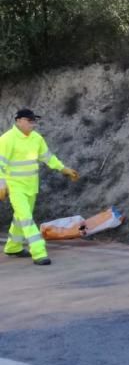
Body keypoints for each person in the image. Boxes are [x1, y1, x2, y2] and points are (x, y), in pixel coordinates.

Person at [0, 109, 79, 265]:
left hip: (31, 186)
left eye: (34, 121)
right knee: (27, 219)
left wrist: (64, 169)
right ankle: (39, 252)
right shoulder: (6, 139)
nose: (33, 124)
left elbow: (47, 157)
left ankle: (13, 247)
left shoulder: (36, 138)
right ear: (18, 121)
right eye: (29, 121)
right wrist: (1, 183)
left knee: (20, 218)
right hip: (14, 186)